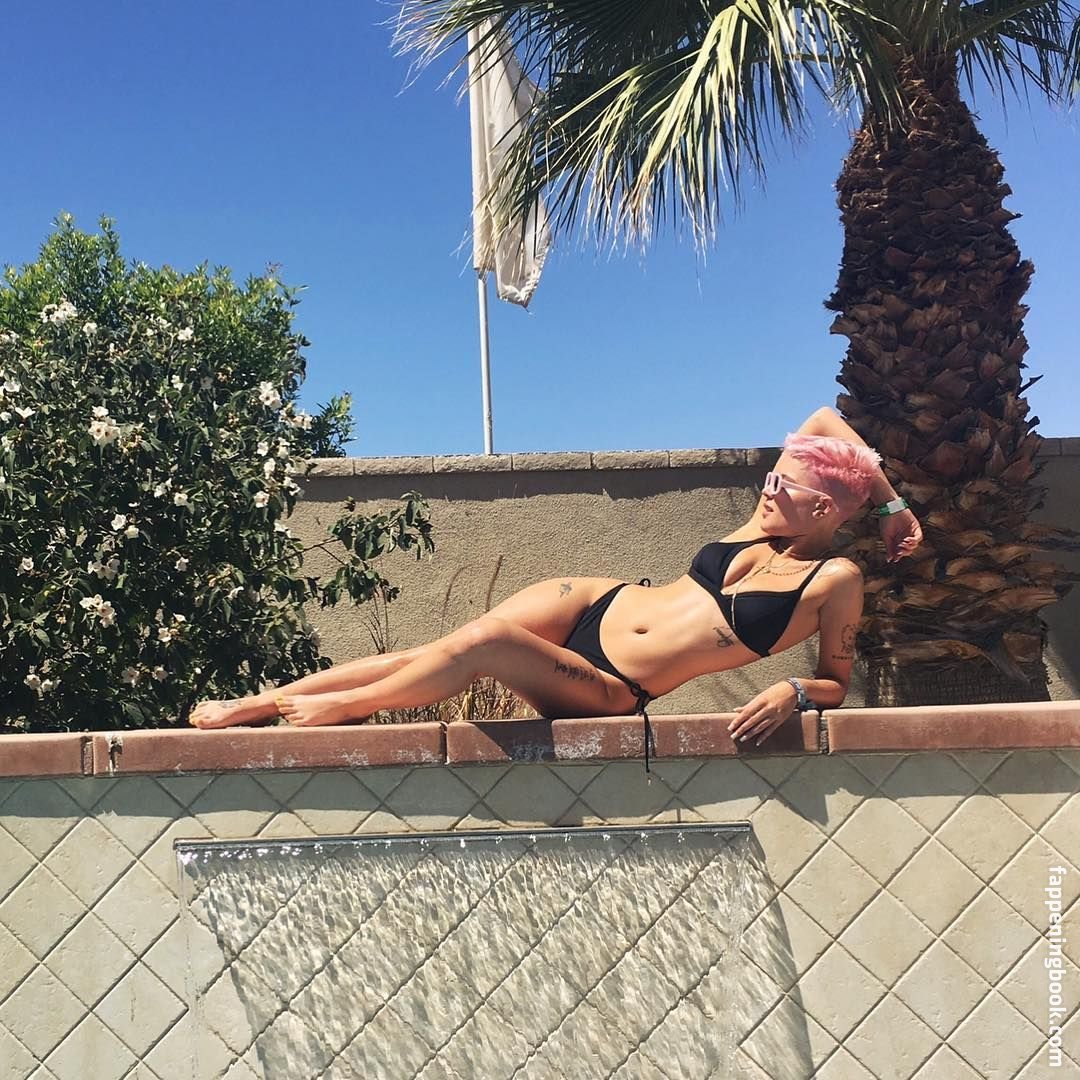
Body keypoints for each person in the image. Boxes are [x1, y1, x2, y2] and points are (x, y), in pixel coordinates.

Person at [189, 406, 922, 768]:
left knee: (483, 642)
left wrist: (793, 692)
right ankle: (262, 703)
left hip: (611, 685)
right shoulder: (762, 524)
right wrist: (892, 505)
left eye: (784, 487)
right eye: (771, 477)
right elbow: (824, 418)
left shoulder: (835, 580)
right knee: (433, 648)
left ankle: (340, 709)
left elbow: (835, 681)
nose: (767, 489)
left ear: (824, 511)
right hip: (602, 601)